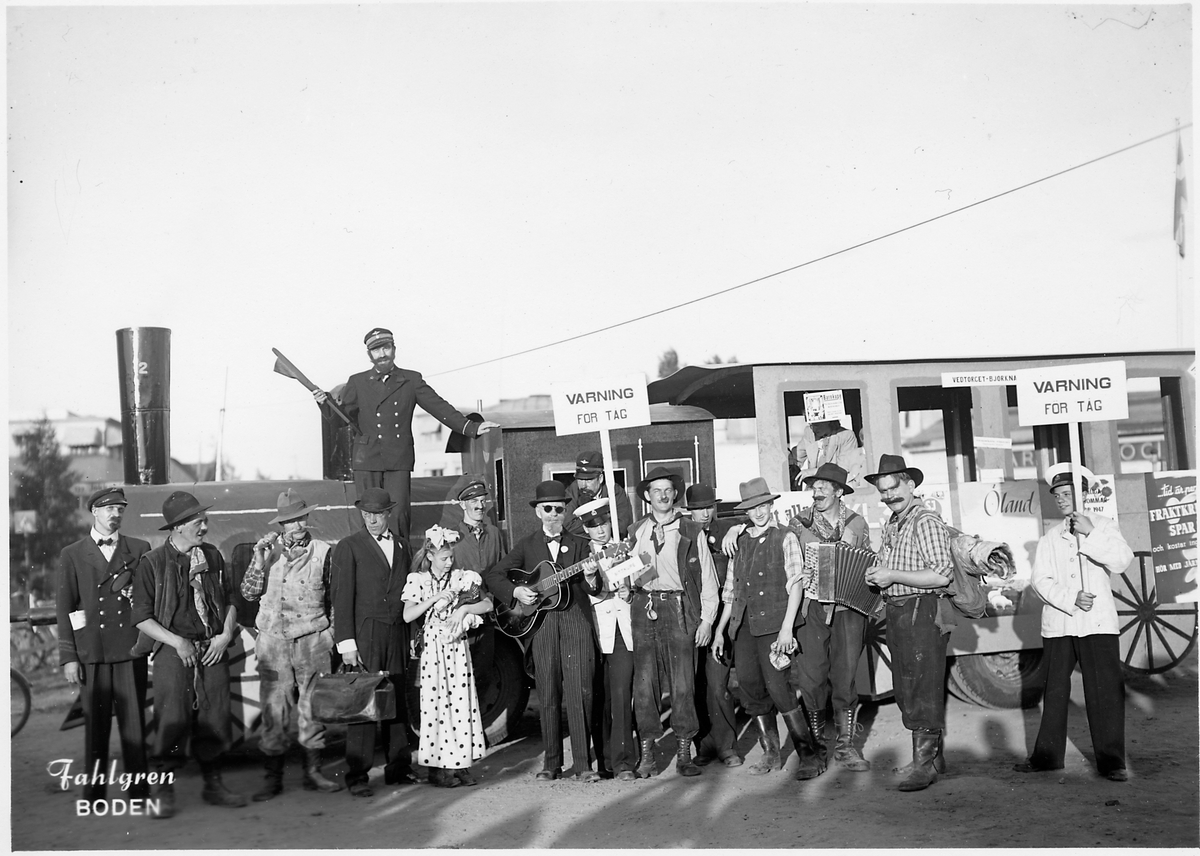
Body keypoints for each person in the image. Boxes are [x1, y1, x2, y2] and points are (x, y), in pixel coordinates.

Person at [312, 327, 498, 538]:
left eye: (386, 348)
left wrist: (470, 427)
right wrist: (324, 403)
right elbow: (340, 419)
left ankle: (400, 558)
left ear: (394, 349)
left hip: (398, 458)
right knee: (370, 517)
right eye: (376, 350)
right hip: (367, 459)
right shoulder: (357, 382)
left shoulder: (411, 379)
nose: (382, 354)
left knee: (399, 516)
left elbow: (438, 407)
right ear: (369, 355)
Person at [1014, 463, 1134, 782]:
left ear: (1083, 495)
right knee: (1054, 689)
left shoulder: (1104, 526)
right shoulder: (1050, 537)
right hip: (1061, 623)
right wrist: (1070, 598)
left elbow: (1122, 561)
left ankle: (1112, 761)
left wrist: (1090, 532)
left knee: (1104, 689)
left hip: (1097, 624)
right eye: (1057, 495)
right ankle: (1047, 757)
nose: (1062, 499)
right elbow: (1040, 580)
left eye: (1068, 494)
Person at [131, 491, 247, 817]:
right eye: (199, 522)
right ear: (178, 526)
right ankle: (163, 790)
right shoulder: (152, 563)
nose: (205, 528)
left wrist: (225, 635)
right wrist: (177, 642)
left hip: (212, 649)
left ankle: (214, 784)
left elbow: (231, 599)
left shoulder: (212, 556)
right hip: (173, 652)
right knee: (171, 719)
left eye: (205, 521)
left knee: (215, 717)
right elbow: (141, 617)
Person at [484, 480, 600, 782]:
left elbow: (592, 587)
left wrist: (591, 575)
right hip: (542, 624)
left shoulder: (580, 544)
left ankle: (584, 766)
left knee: (580, 692)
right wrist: (516, 592)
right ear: (538, 512)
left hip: (575, 620)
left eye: (559, 509)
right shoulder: (527, 545)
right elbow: (494, 576)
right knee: (547, 692)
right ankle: (551, 764)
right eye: (548, 509)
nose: (554, 514)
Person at [712, 478, 825, 781]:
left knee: (779, 688)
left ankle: (809, 756)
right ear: (746, 512)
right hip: (744, 628)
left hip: (775, 626)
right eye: (753, 508)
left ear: (771, 505)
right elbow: (730, 591)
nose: (759, 512)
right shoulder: (740, 541)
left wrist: (787, 629)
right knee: (750, 688)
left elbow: (796, 584)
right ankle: (771, 753)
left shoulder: (784, 537)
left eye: (763, 505)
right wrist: (721, 630)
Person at [240, 489, 342, 800]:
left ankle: (313, 773)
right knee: (274, 711)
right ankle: (273, 779)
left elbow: (335, 597)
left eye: (300, 518)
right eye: (289, 521)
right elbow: (248, 593)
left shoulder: (324, 552)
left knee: (313, 710)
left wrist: (330, 634)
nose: (296, 525)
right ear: (281, 524)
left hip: (313, 642)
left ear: (307, 517)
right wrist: (259, 561)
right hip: (273, 644)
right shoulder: (267, 552)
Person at [56, 487, 152, 804]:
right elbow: (65, 608)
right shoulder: (72, 554)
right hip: (92, 652)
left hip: (129, 649)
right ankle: (95, 794)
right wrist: (69, 657)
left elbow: (147, 598)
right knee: (95, 728)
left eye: (120, 509)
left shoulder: (139, 549)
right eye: (109, 509)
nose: (115, 514)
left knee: (134, 725)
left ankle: (139, 793)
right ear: (94, 512)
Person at [862, 454, 952, 792]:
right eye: (883, 491)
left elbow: (941, 576)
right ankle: (931, 759)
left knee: (922, 688)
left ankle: (924, 767)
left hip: (922, 610)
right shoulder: (895, 522)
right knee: (907, 687)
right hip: (900, 611)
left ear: (911, 485)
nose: (889, 496)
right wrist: (878, 575)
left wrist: (892, 575)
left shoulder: (924, 521)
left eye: (894, 488)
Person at [628, 467, 720, 779]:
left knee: (683, 685)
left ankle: (684, 753)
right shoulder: (635, 531)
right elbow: (628, 576)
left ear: (675, 494)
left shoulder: (691, 530)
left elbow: (708, 579)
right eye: (657, 490)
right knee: (645, 686)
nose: (663, 495)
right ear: (647, 496)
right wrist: (624, 584)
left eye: (668, 490)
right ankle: (647, 754)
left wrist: (706, 621)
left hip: (680, 609)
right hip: (644, 609)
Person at [331, 488, 417, 797]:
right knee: (364, 704)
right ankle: (358, 776)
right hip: (365, 635)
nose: (371, 520)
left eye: (377, 515)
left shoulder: (403, 546)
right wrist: (347, 644)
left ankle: (399, 768)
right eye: (366, 515)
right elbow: (341, 598)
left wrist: (411, 636)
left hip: (396, 632)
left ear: (388, 514)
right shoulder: (349, 546)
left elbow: (410, 594)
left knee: (396, 703)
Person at [789, 463, 874, 772]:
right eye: (814, 487)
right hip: (811, 608)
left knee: (845, 678)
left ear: (839, 491)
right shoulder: (798, 524)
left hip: (849, 610)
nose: (817, 491)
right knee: (811, 679)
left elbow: (868, 561)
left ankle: (845, 747)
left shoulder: (856, 523)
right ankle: (815, 751)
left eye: (824, 486)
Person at [402, 525, 491, 788]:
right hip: (433, 650)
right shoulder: (418, 580)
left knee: (461, 705)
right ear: (430, 556)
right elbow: (408, 615)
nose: (449, 562)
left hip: (457, 648)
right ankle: (437, 770)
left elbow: (487, 604)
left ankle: (461, 765)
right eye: (444, 558)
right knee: (437, 706)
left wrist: (464, 611)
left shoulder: (462, 578)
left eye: (451, 557)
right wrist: (433, 599)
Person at [576, 497, 639, 781]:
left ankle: (624, 762)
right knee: (599, 697)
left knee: (622, 694)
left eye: (603, 523)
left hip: (623, 629)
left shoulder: (625, 546)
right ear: (585, 529)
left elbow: (643, 577)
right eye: (593, 526)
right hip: (594, 631)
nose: (600, 530)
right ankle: (604, 761)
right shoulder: (580, 554)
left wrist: (631, 591)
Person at [684, 483, 742, 768]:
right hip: (690, 621)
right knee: (696, 686)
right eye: (698, 509)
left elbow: (755, 522)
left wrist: (737, 529)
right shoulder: (683, 534)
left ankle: (727, 747)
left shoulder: (726, 529)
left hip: (719, 622)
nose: (705, 514)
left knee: (718, 685)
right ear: (689, 511)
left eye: (709, 507)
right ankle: (705, 745)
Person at [450, 478, 503, 707]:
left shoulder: (495, 534)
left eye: (483, 500)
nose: (480, 506)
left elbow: (500, 571)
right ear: (463, 505)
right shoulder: (452, 537)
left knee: (482, 674)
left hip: (487, 616)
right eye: (474, 501)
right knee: (458, 677)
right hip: (458, 619)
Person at [564, 450, 634, 539]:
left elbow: (621, 525)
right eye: (580, 479)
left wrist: (593, 529)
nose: (583, 485)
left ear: (600, 478)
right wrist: (598, 529)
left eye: (589, 480)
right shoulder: (572, 491)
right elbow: (568, 525)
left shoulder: (614, 491)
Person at [789, 419, 864, 490]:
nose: (813, 428)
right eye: (811, 425)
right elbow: (796, 457)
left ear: (828, 422)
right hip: (813, 487)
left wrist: (814, 472)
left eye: (817, 425)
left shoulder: (846, 436)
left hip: (834, 487)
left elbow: (842, 469)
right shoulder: (810, 433)